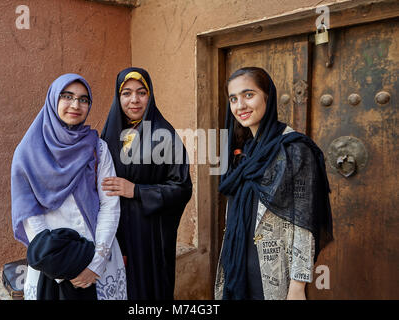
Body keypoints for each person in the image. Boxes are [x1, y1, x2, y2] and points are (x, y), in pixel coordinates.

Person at [215, 67, 333, 300]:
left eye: (249, 95)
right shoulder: (244, 151)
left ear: (268, 97)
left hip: (274, 271)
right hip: (237, 262)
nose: (240, 106)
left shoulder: (295, 149)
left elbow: (304, 224)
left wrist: (298, 286)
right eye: (233, 99)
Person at [11, 73, 126, 300]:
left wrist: (95, 264)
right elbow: (29, 215)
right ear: (53, 100)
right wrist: (63, 266)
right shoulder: (27, 153)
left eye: (84, 99)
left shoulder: (98, 148)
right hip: (51, 267)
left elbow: (110, 205)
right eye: (67, 96)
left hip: (99, 260)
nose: (76, 105)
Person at [101, 67, 192, 300]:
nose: (134, 100)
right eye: (127, 93)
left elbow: (182, 188)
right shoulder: (108, 137)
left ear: (150, 96)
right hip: (114, 232)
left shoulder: (164, 135)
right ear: (118, 96)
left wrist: (137, 190)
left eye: (142, 93)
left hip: (150, 235)